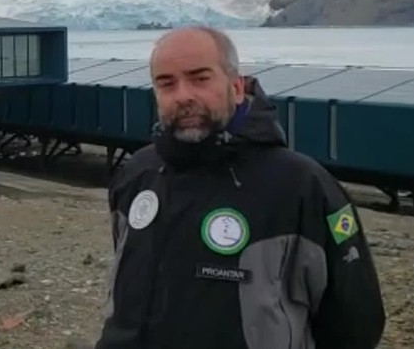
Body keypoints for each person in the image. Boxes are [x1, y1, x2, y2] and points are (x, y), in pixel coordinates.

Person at [95, 26, 386, 349]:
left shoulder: (301, 187)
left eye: (200, 78)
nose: (183, 95)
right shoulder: (138, 174)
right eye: (167, 83)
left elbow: (354, 324)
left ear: (235, 87)